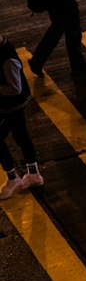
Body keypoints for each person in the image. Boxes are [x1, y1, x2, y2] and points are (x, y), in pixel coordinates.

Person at [0, 36, 43, 199]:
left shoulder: (7, 59)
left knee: (18, 135)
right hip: (9, 105)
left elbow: (15, 89)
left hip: (11, 105)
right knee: (20, 135)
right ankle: (33, 174)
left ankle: (13, 178)